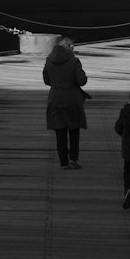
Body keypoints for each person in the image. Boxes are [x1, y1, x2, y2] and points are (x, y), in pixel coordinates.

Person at [42, 36, 88, 170]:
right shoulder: (74, 61)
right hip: (72, 98)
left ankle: (63, 162)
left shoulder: (49, 60)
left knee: (59, 131)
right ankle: (73, 159)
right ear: (69, 48)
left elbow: (46, 80)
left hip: (55, 98)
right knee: (74, 130)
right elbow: (81, 81)